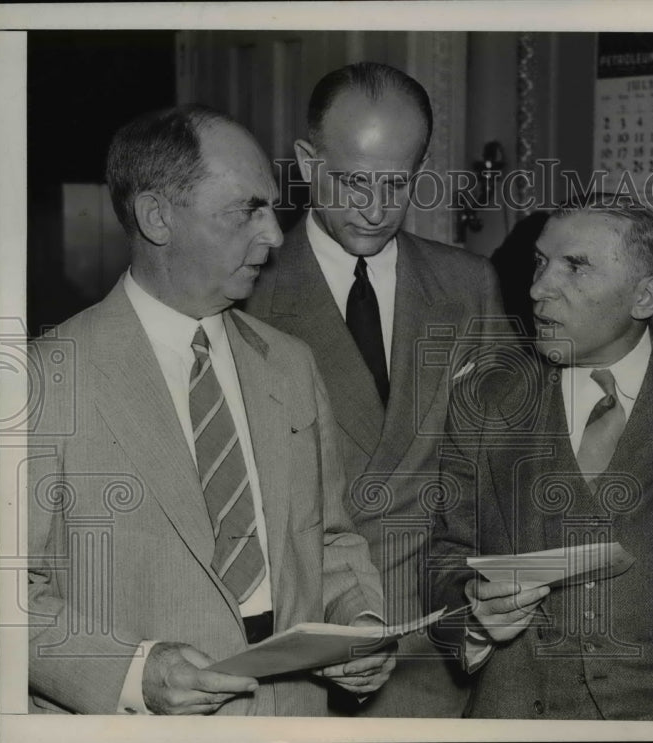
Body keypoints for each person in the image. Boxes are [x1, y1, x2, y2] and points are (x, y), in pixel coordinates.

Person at [27, 105, 393, 716]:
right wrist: (135, 673)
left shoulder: (291, 364)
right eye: (245, 210)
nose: (275, 235)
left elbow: (329, 541)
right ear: (157, 217)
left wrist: (359, 622)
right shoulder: (44, 378)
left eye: (271, 208)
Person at [245, 61, 505, 717]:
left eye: (397, 182)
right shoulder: (246, 293)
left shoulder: (470, 285)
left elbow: (494, 473)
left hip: (438, 647)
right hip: (299, 648)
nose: (375, 206)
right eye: (354, 180)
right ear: (308, 163)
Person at [427, 199, 653, 720]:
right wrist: (473, 614)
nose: (539, 288)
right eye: (540, 263)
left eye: (575, 267)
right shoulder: (485, 398)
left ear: (645, 296)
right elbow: (446, 555)